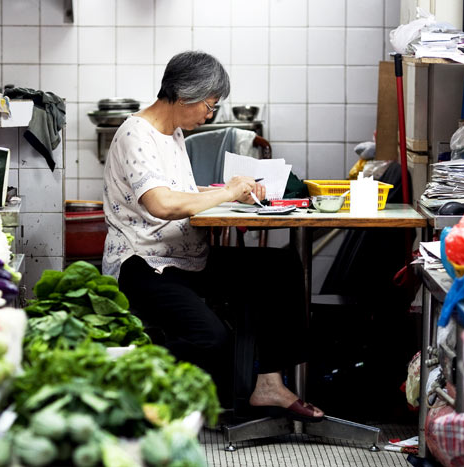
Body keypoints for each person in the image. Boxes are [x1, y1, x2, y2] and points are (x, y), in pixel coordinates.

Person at [102, 50, 324, 423]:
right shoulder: (134, 134)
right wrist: (227, 193)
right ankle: (119, 382)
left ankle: (269, 383)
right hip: (144, 264)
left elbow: (180, 195)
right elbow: (161, 204)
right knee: (211, 338)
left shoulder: (171, 134)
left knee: (280, 266)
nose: (209, 115)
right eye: (210, 105)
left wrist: (231, 201)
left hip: (186, 257)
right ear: (186, 95)